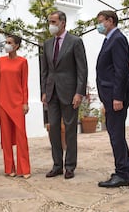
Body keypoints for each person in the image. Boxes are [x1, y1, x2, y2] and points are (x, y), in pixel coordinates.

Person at [41, 10, 88, 179]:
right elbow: (44, 71)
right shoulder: (46, 44)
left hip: (69, 92)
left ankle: (70, 166)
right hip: (51, 92)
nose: (51, 25)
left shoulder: (75, 42)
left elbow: (82, 69)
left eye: (53, 22)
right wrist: (44, 92)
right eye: (49, 21)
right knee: (53, 128)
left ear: (63, 23)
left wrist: (79, 93)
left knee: (69, 129)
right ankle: (57, 165)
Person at [95, 10, 129, 188]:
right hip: (110, 95)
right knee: (116, 133)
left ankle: (121, 174)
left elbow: (121, 70)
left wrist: (118, 97)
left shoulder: (118, 39)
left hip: (115, 96)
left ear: (110, 21)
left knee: (116, 135)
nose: (99, 25)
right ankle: (127, 170)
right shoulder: (110, 39)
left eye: (101, 21)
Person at [0, 34, 31, 179]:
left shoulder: (23, 62)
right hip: (3, 102)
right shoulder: (0, 61)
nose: (6, 45)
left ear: (16, 46)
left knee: (21, 137)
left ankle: (24, 169)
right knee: (6, 137)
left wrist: (25, 102)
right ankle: (9, 168)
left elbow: (24, 84)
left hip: (17, 103)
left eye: (9, 42)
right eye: (6, 42)